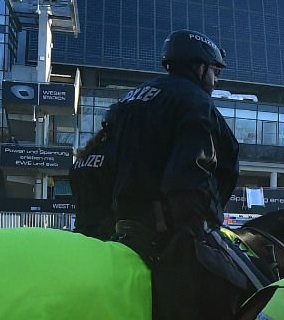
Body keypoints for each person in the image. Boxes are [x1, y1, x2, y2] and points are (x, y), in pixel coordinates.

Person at [72, 30, 239, 260]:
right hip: (170, 236)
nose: (216, 79)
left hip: (122, 229)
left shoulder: (129, 100)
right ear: (199, 67)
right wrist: (200, 229)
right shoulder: (196, 102)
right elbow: (193, 175)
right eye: (214, 70)